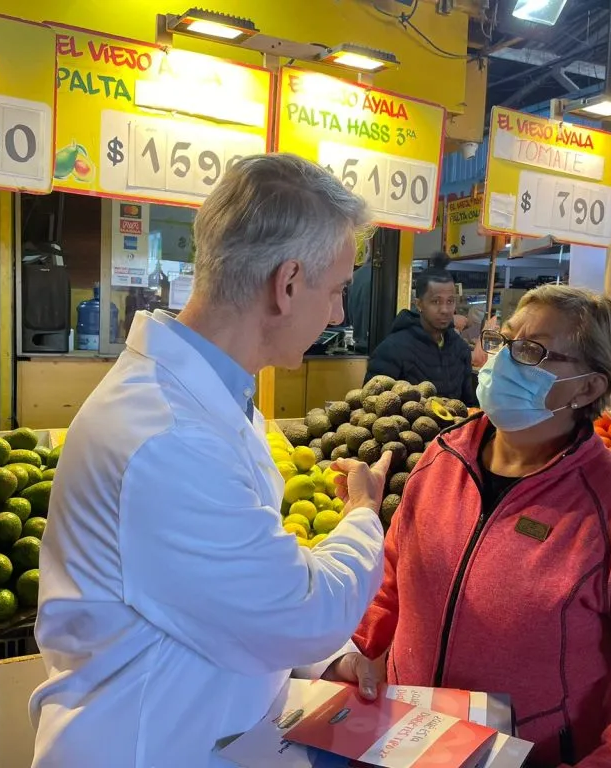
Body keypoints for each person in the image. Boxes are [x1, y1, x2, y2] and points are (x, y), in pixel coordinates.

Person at [30, 154, 393, 768]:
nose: (338, 315)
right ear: (287, 284)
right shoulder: (166, 437)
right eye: (335, 292)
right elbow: (297, 609)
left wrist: (323, 660)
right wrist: (363, 514)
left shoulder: (212, 404)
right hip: (146, 747)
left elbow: (228, 588)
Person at [328, 285, 611, 768]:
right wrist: (355, 652)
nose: (502, 361)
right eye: (502, 339)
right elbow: (392, 582)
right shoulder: (440, 460)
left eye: (531, 352)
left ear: (589, 387)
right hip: (409, 743)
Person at [365, 254, 478, 405]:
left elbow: (468, 405)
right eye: (436, 301)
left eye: (450, 301)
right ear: (418, 304)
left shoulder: (460, 348)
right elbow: (371, 406)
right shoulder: (391, 350)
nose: (445, 309)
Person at [347, 257, 372, 350]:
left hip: (358, 344)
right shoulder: (384, 276)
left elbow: (349, 315)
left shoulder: (355, 276)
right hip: (378, 346)